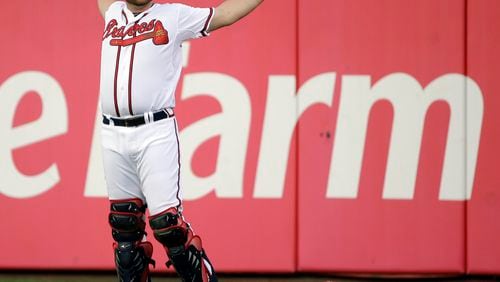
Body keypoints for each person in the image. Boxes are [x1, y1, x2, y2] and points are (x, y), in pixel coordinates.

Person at [96, 0, 263, 281]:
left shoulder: (173, 16)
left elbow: (224, 14)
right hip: (112, 134)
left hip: (155, 131)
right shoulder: (113, 12)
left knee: (169, 227)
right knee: (124, 231)